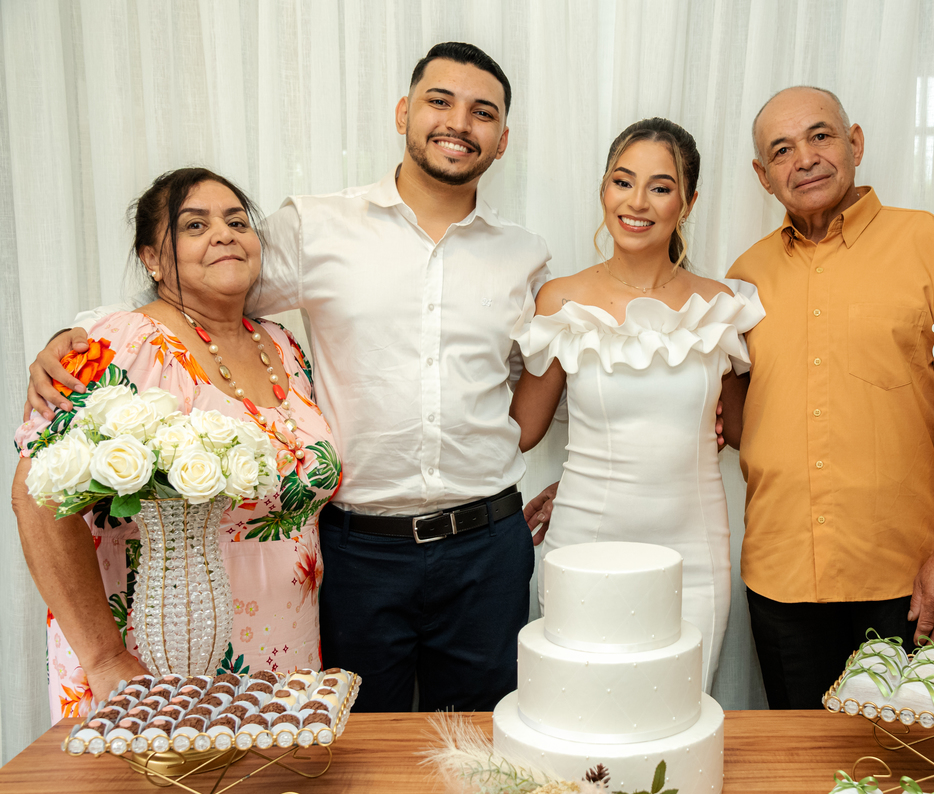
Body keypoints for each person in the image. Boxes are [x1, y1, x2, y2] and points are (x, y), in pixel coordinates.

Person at [25, 43, 550, 714]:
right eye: (439, 101)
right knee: (355, 744)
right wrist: (79, 339)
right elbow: (204, 283)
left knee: (482, 737)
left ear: (502, 140)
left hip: (487, 545)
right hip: (360, 551)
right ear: (403, 112)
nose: (458, 122)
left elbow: (525, 385)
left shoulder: (526, 256)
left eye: (483, 112)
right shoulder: (315, 225)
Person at [718, 86, 934, 709]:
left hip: (911, 577)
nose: (804, 159)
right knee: (801, 755)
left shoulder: (932, 245)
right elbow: (739, 418)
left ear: (855, 143)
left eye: (820, 136)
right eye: (781, 150)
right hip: (782, 576)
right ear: (763, 176)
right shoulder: (745, 278)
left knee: (914, 756)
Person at [12, 168, 338, 719]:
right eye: (195, 225)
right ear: (152, 259)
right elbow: (36, 498)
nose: (224, 234)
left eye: (237, 222)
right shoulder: (122, 342)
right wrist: (105, 658)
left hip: (286, 654)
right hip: (152, 661)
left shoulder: (284, 346)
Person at [510, 118, 764, 690]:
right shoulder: (561, 299)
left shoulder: (720, 306)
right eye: (622, 181)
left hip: (694, 553)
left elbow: (742, 429)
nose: (637, 202)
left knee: (679, 709)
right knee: (580, 704)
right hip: (585, 541)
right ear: (603, 189)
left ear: (688, 202)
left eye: (660, 187)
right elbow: (523, 429)